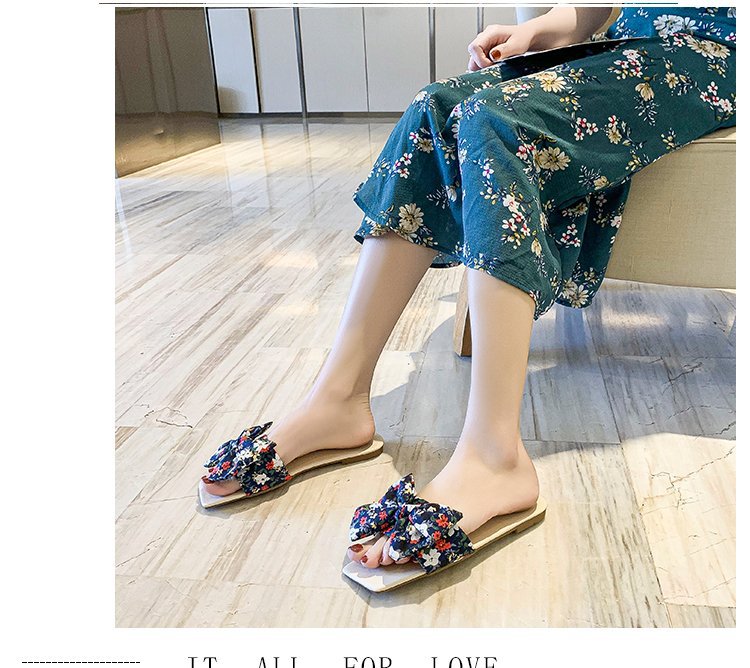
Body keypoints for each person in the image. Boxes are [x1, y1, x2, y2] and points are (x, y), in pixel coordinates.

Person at [199, 6, 736, 579]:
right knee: (433, 108)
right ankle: (338, 398)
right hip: (627, 44)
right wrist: (535, 30)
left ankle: (495, 455)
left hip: (720, 54)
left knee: (497, 121)